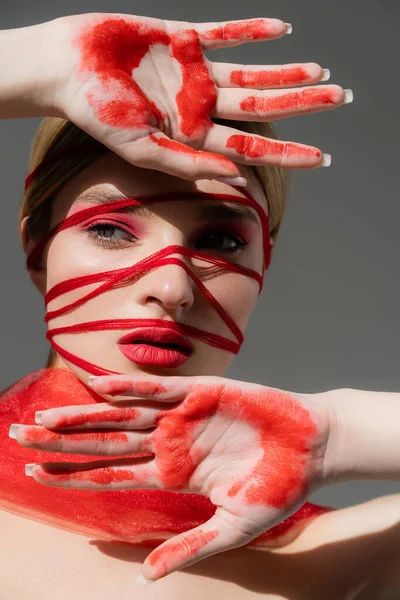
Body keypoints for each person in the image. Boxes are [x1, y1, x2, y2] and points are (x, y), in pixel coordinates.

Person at [1, 12, 400, 600]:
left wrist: (345, 433)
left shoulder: (338, 556)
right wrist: (33, 62)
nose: (172, 288)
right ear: (37, 247)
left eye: (220, 242)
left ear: (265, 264)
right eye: (112, 229)